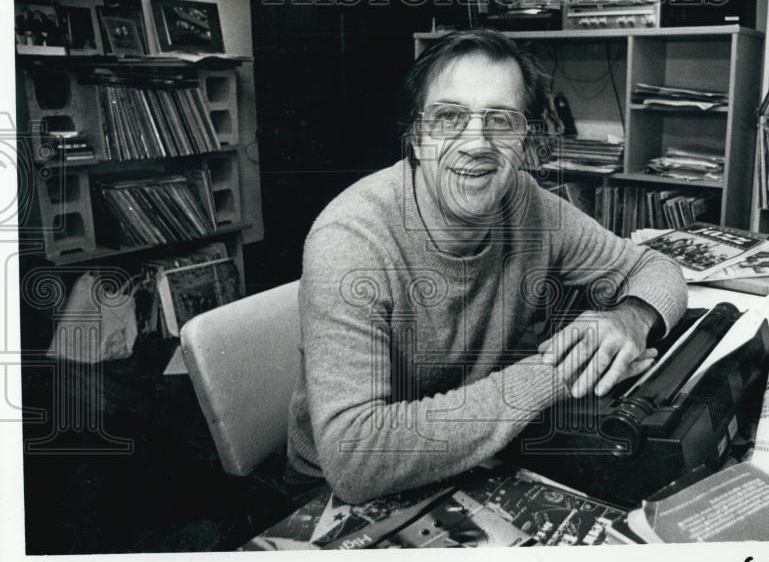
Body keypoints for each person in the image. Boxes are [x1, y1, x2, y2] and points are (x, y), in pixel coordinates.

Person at [286, 29, 686, 504]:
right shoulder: (350, 241)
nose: (476, 143)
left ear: (524, 141)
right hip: (332, 494)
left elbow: (654, 266)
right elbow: (355, 459)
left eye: (500, 120)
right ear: (415, 137)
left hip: (471, 452)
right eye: (449, 116)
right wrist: (559, 373)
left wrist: (631, 318)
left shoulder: (527, 203)